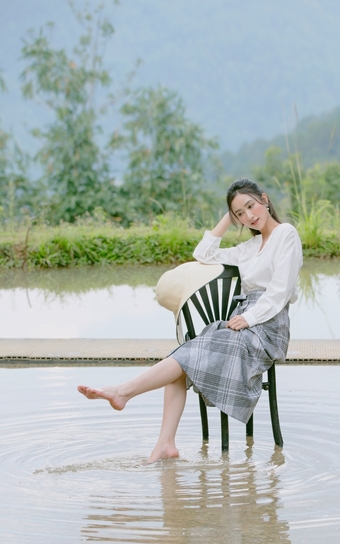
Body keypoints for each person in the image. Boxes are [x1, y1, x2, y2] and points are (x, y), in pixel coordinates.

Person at [77, 178, 303, 462]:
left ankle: (123, 392)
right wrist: (228, 218)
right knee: (184, 356)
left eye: (251, 206)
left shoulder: (286, 234)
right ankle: (165, 444)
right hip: (242, 320)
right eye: (240, 213)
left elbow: (280, 291)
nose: (249, 216)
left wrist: (248, 318)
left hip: (267, 326)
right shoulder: (249, 247)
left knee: (185, 356)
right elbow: (203, 254)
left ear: (265, 199)